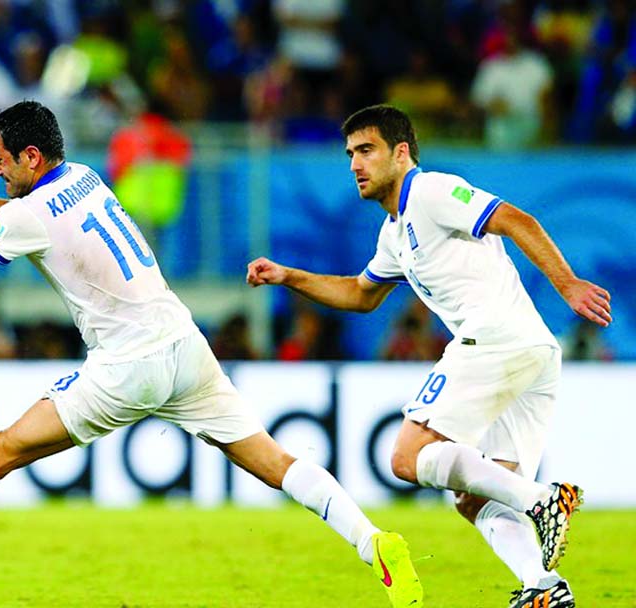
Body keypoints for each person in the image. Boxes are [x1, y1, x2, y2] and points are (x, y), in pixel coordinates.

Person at [0, 101, 423, 608]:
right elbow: (10, 217)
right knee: (275, 461)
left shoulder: (31, 211)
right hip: (185, 347)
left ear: (32, 157)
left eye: (0, 160)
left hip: (127, 368)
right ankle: (373, 543)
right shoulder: (82, 176)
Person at [246, 105, 612, 608]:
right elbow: (360, 294)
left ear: (401, 153)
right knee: (476, 497)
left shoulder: (433, 192)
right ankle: (542, 587)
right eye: (351, 153)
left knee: (406, 458)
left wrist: (566, 284)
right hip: (531, 353)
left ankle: (545, 500)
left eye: (367, 150)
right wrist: (291, 276)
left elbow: (515, 219)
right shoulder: (394, 233)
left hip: (495, 340)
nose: (355, 164)